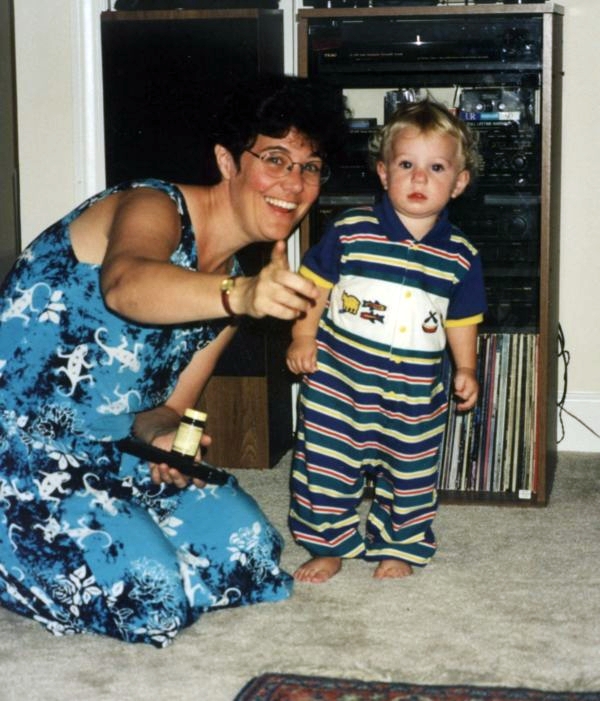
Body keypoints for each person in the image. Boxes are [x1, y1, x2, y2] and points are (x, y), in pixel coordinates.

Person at [0, 74, 348, 646]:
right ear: (227, 161)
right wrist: (241, 295)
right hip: (18, 447)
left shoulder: (230, 289)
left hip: (108, 452)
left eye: (310, 167)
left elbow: (166, 409)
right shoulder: (154, 204)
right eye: (275, 159)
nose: (294, 182)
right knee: (152, 596)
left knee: (251, 556)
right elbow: (126, 284)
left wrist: (166, 439)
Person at [286, 99, 486, 583]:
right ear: (383, 172)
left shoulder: (461, 256)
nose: (419, 178)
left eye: (436, 168)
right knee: (326, 466)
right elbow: (314, 288)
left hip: (414, 394)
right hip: (339, 383)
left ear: (459, 182)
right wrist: (303, 335)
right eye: (406, 165)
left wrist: (465, 369)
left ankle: (398, 544)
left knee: (411, 474)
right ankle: (329, 543)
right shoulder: (351, 230)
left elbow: (462, 320)